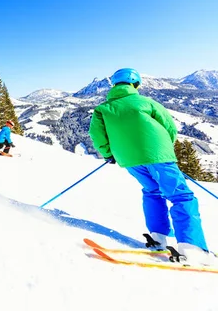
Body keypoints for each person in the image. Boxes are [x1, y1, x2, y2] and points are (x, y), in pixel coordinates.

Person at [89, 67, 213, 265]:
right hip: (159, 156)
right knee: (181, 196)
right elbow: (169, 127)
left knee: (152, 191)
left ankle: (158, 237)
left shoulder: (102, 109)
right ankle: (192, 247)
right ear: (135, 84)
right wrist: (163, 150)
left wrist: (108, 154)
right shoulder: (147, 102)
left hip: (129, 160)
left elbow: (97, 135)